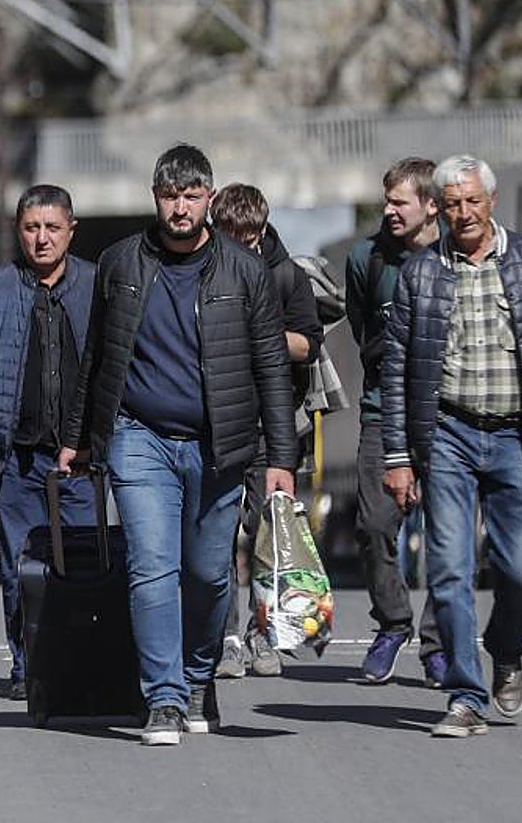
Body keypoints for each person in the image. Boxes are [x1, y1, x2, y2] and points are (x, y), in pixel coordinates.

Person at [59, 144, 297, 746]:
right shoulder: (120, 263)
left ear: (210, 200)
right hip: (139, 439)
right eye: (171, 195)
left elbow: (273, 367)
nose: (181, 207)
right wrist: (78, 439)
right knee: (153, 567)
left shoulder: (244, 271)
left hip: (222, 446)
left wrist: (282, 463)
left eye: (192, 196)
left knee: (210, 574)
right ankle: (163, 698)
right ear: (156, 198)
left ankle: (196, 680)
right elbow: (96, 358)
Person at [382, 154, 522, 738]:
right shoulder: (421, 274)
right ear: (438, 209)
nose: (463, 213)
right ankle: (465, 697)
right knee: (449, 569)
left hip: (521, 436)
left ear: (490, 202)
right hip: (447, 434)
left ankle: (507, 649)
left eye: (473, 201)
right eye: (452, 204)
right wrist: (399, 456)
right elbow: (397, 370)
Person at [0, 184, 97, 701]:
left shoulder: (95, 285)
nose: (42, 238)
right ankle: (27, 668)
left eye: (52, 228)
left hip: (80, 461)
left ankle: (82, 663)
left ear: (70, 230)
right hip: (17, 455)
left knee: (83, 564)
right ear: (18, 230)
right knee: (20, 569)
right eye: (32, 227)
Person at [210, 183, 323, 680]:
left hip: (270, 425)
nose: (245, 246)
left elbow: (310, 344)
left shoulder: (285, 274)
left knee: (264, 534)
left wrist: (261, 333)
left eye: (251, 237)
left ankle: (263, 634)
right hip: (215, 423)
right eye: (234, 237)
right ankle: (226, 636)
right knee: (215, 537)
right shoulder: (204, 268)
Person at [345, 157, 446, 687]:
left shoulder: (456, 257)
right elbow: (364, 332)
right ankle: (392, 624)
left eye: (399, 202)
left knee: (447, 539)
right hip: (383, 413)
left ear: (431, 206)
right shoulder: (365, 258)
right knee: (375, 524)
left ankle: (437, 643)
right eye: (385, 201)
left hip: (448, 417)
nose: (388, 211)